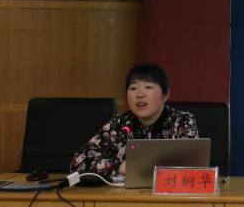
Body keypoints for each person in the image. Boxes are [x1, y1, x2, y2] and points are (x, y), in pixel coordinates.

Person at [69, 63, 198, 177]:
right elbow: (78, 162)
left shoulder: (181, 122)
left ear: (166, 95)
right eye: (133, 88)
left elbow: (192, 165)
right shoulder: (119, 124)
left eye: (148, 87)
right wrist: (121, 167)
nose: (140, 94)